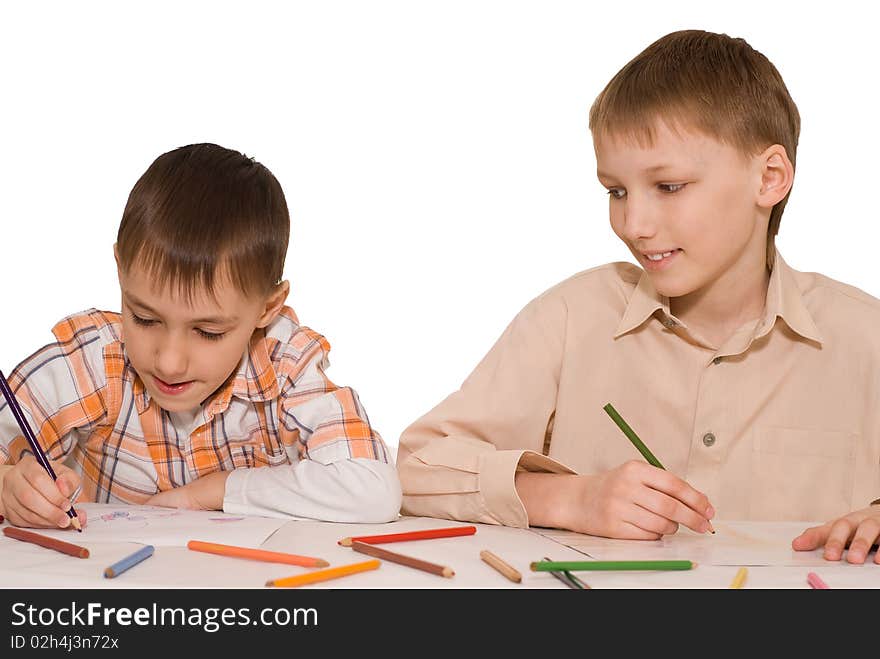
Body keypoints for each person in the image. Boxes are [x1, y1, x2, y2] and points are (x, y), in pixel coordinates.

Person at [396, 30, 880, 564]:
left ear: (769, 178)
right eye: (616, 191)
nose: (634, 223)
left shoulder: (864, 337)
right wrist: (569, 498)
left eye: (668, 186)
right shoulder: (571, 317)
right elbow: (418, 466)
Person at [0, 143, 401, 529]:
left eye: (208, 332)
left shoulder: (283, 364)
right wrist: (7, 487)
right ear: (121, 271)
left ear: (267, 308)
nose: (169, 361)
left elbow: (373, 489)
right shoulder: (91, 362)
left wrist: (212, 492)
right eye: (145, 318)